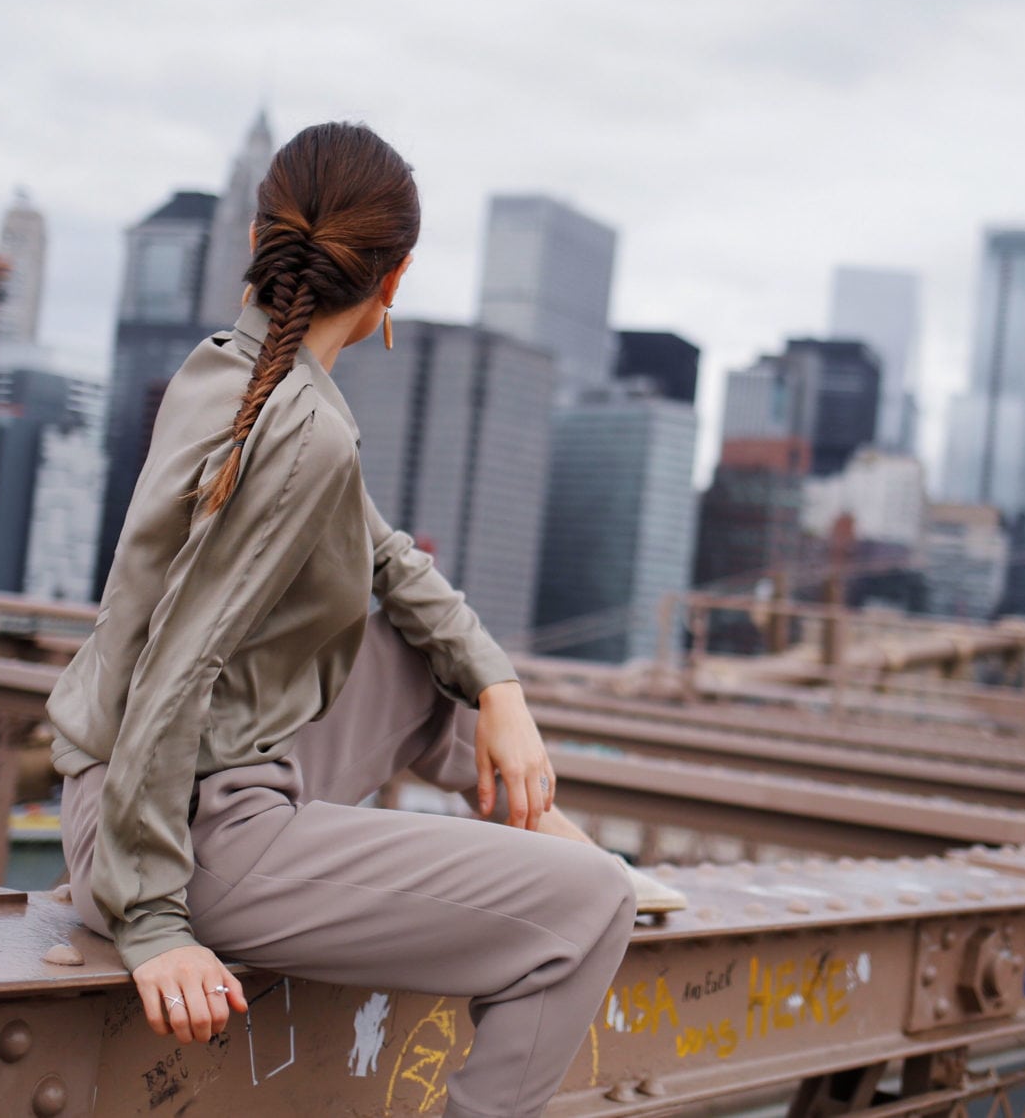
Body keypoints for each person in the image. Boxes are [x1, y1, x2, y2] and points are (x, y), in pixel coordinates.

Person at [48, 122, 652, 1118]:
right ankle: (550, 874)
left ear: (257, 237)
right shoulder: (303, 430)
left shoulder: (232, 374)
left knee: (424, 659)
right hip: (193, 844)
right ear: (394, 281)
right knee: (597, 908)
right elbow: (174, 667)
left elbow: (385, 561)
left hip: (158, 780)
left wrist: (496, 687)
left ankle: (526, 821)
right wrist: (151, 920)